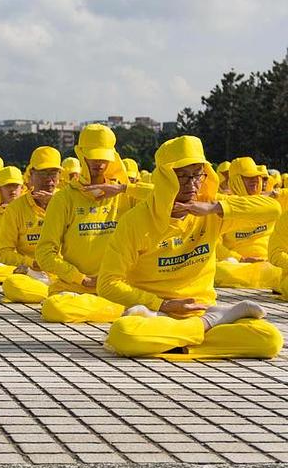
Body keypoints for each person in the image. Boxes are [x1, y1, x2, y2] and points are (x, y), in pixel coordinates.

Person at [98, 136, 282, 359]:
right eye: (182, 176)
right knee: (124, 334)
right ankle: (208, 325)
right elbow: (107, 284)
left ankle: (181, 338)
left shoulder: (211, 212)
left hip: (200, 309)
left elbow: (273, 209)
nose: (192, 184)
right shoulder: (136, 221)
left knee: (269, 339)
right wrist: (162, 304)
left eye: (197, 175)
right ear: (164, 178)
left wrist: (215, 207)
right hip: (152, 312)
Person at [33, 124, 131, 323]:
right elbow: (44, 253)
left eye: (104, 157)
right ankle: (122, 311)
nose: (99, 163)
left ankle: (115, 308)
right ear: (80, 154)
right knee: (54, 308)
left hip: (116, 286)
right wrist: (81, 279)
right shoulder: (63, 199)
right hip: (74, 287)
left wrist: (124, 189)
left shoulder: (124, 197)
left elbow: (165, 198)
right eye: (93, 156)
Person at [0, 147, 61, 304]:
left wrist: (55, 204)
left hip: (67, 274)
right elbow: (3, 252)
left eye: (53, 174)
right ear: (31, 175)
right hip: (35, 274)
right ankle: (57, 295)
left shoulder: (67, 202)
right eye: (43, 174)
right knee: (12, 285)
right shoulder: (16, 208)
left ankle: (58, 294)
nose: (49, 180)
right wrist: (30, 263)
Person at [212, 157, 283, 290]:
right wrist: (241, 259)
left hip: (271, 260)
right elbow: (214, 244)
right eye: (248, 177)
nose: (255, 180)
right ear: (236, 181)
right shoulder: (223, 205)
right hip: (238, 264)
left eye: (257, 176)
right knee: (217, 270)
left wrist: (276, 193)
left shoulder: (270, 202)